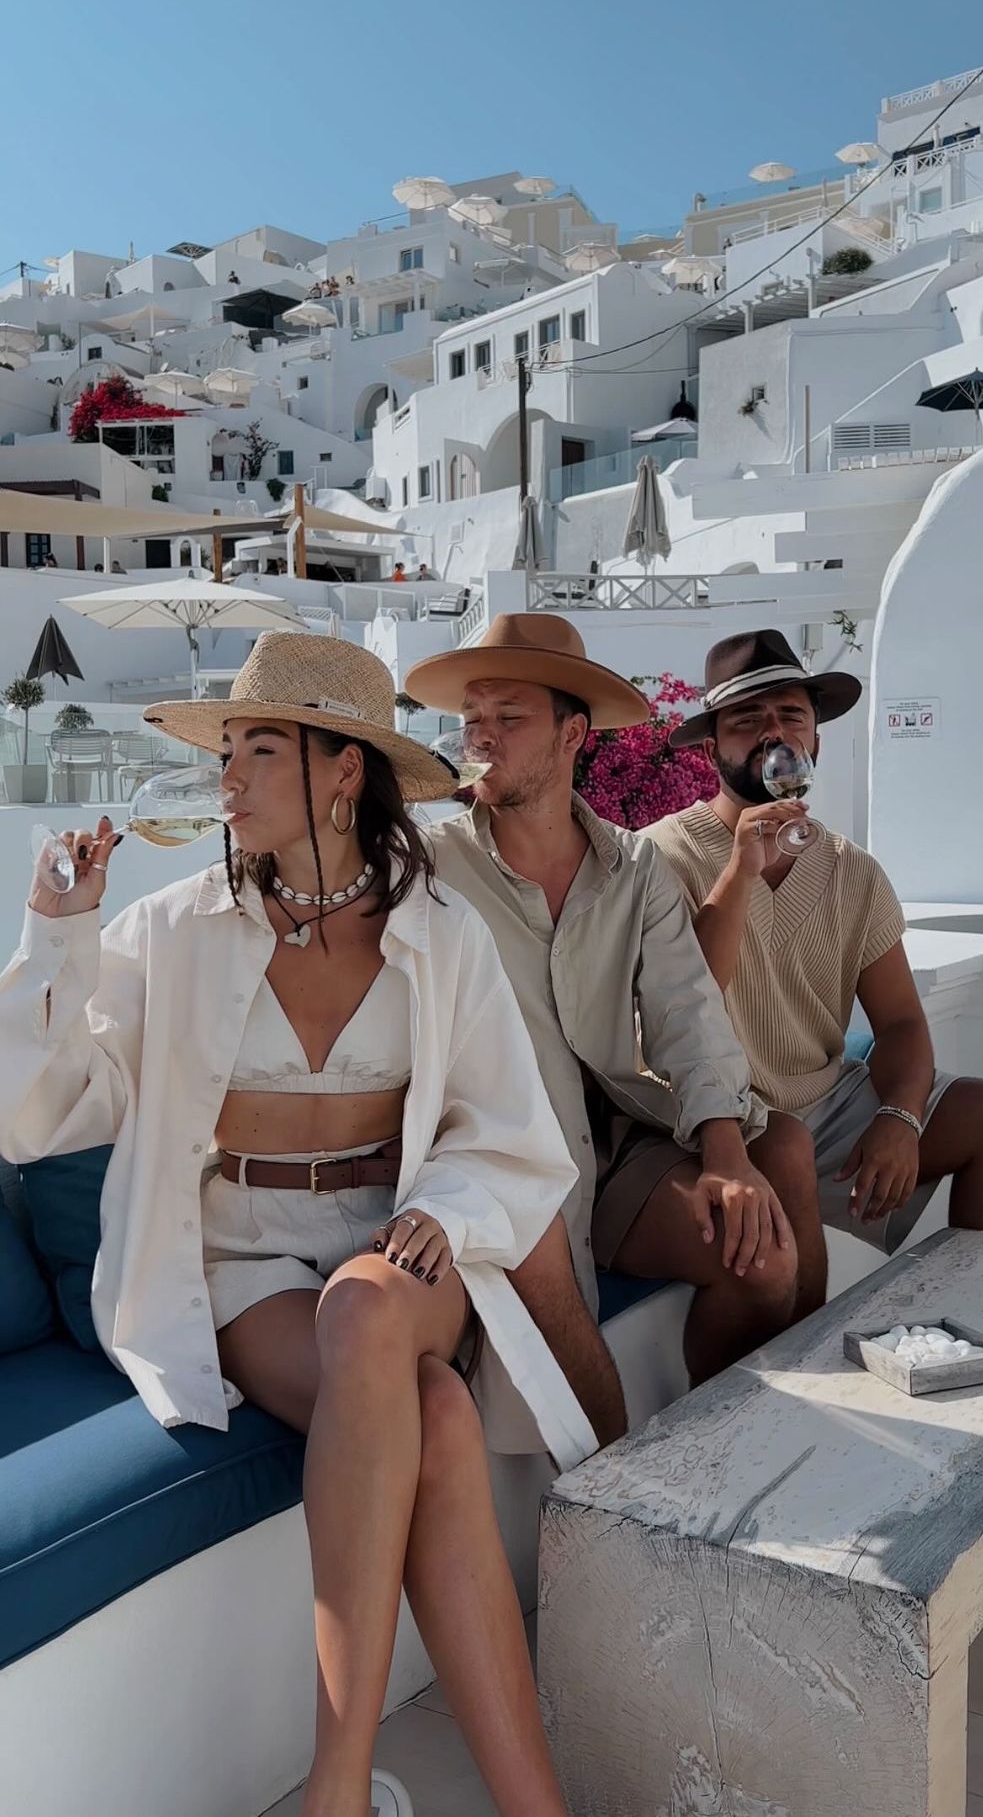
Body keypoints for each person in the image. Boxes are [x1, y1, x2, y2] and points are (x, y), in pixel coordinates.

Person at [0, 633, 591, 1817]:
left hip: (401, 1244)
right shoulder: (171, 928)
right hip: (240, 1258)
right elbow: (34, 1115)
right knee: (434, 1417)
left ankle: (335, 1789)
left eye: (259, 748)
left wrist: (445, 1208)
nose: (228, 775)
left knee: (369, 1305)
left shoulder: (442, 933)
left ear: (342, 768)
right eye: (227, 748)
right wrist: (59, 931)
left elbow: (509, 1130)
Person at [406, 615, 823, 1444]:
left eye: (508, 717)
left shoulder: (634, 867)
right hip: (500, 1159)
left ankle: (717, 1456)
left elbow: (686, 1012)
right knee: (581, 1386)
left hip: (613, 1145)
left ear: (573, 735)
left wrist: (725, 1156)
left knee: (764, 1258)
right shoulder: (428, 865)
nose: (481, 736)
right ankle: (650, 1486)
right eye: (472, 717)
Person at [645, 629, 983, 1303]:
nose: (774, 734)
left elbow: (901, 1022)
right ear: (712, 749)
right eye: (747, 720)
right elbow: (685, 1002)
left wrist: (901, 1117)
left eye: (791, 716)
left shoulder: (852, 870)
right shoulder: (659, 857)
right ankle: (809, 1357)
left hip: (826, 1103)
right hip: (713, 1118)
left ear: (816, 742)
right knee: (786, 1147)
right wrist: (740, 871)